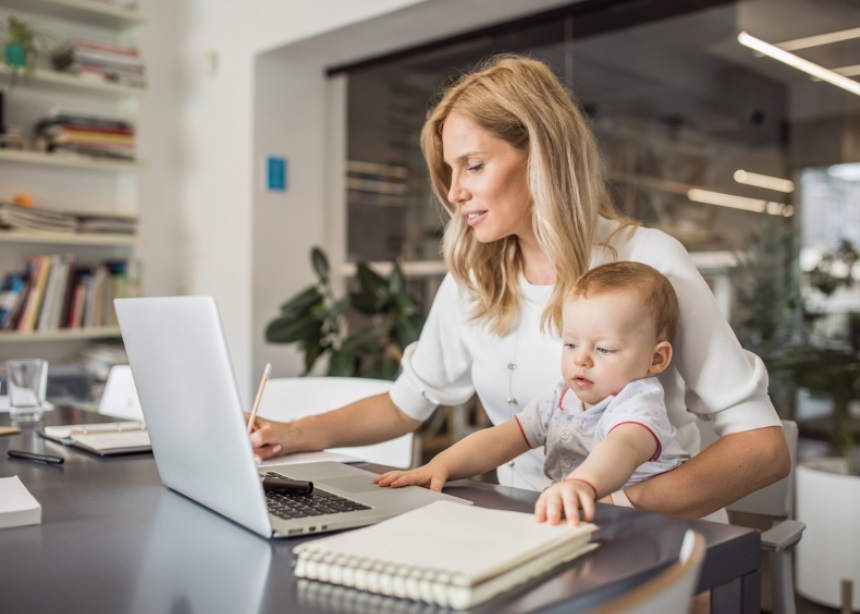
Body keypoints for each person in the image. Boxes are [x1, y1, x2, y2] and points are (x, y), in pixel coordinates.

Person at [249, 53, 789, 519]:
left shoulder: (647, 262)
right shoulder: (475, 279)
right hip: (530, 525)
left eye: (474, 166)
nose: (455, 192)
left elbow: (762, 449)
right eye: (449, 172)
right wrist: (292, 434)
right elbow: (405, 405)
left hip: (649, 531)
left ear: (541, 157)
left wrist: (618, 508)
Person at [373, 261, 690, 525]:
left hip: (648, 530)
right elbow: (501, 440)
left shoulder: (638, 403)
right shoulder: (561, 399)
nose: (581, 358)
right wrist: (439, 466)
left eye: (604, 348)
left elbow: (622, 448)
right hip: (592, 522)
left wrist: (582, 484)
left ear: (656, 359)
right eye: (570, 344)